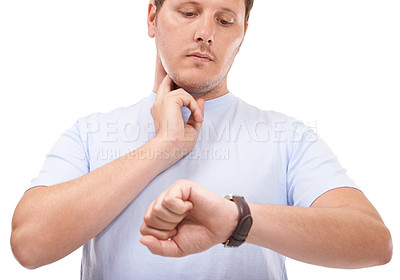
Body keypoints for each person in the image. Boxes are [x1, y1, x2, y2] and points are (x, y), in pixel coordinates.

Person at [11, 0, 392, 279]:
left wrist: (235, 219)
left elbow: (373, 242)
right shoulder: (91, 132)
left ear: (242, 36)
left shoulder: (287, 137)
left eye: (225, 20)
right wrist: (160, 149)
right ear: (152, 17)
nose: (205, 33)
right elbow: (29, 245)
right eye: (189, 12)